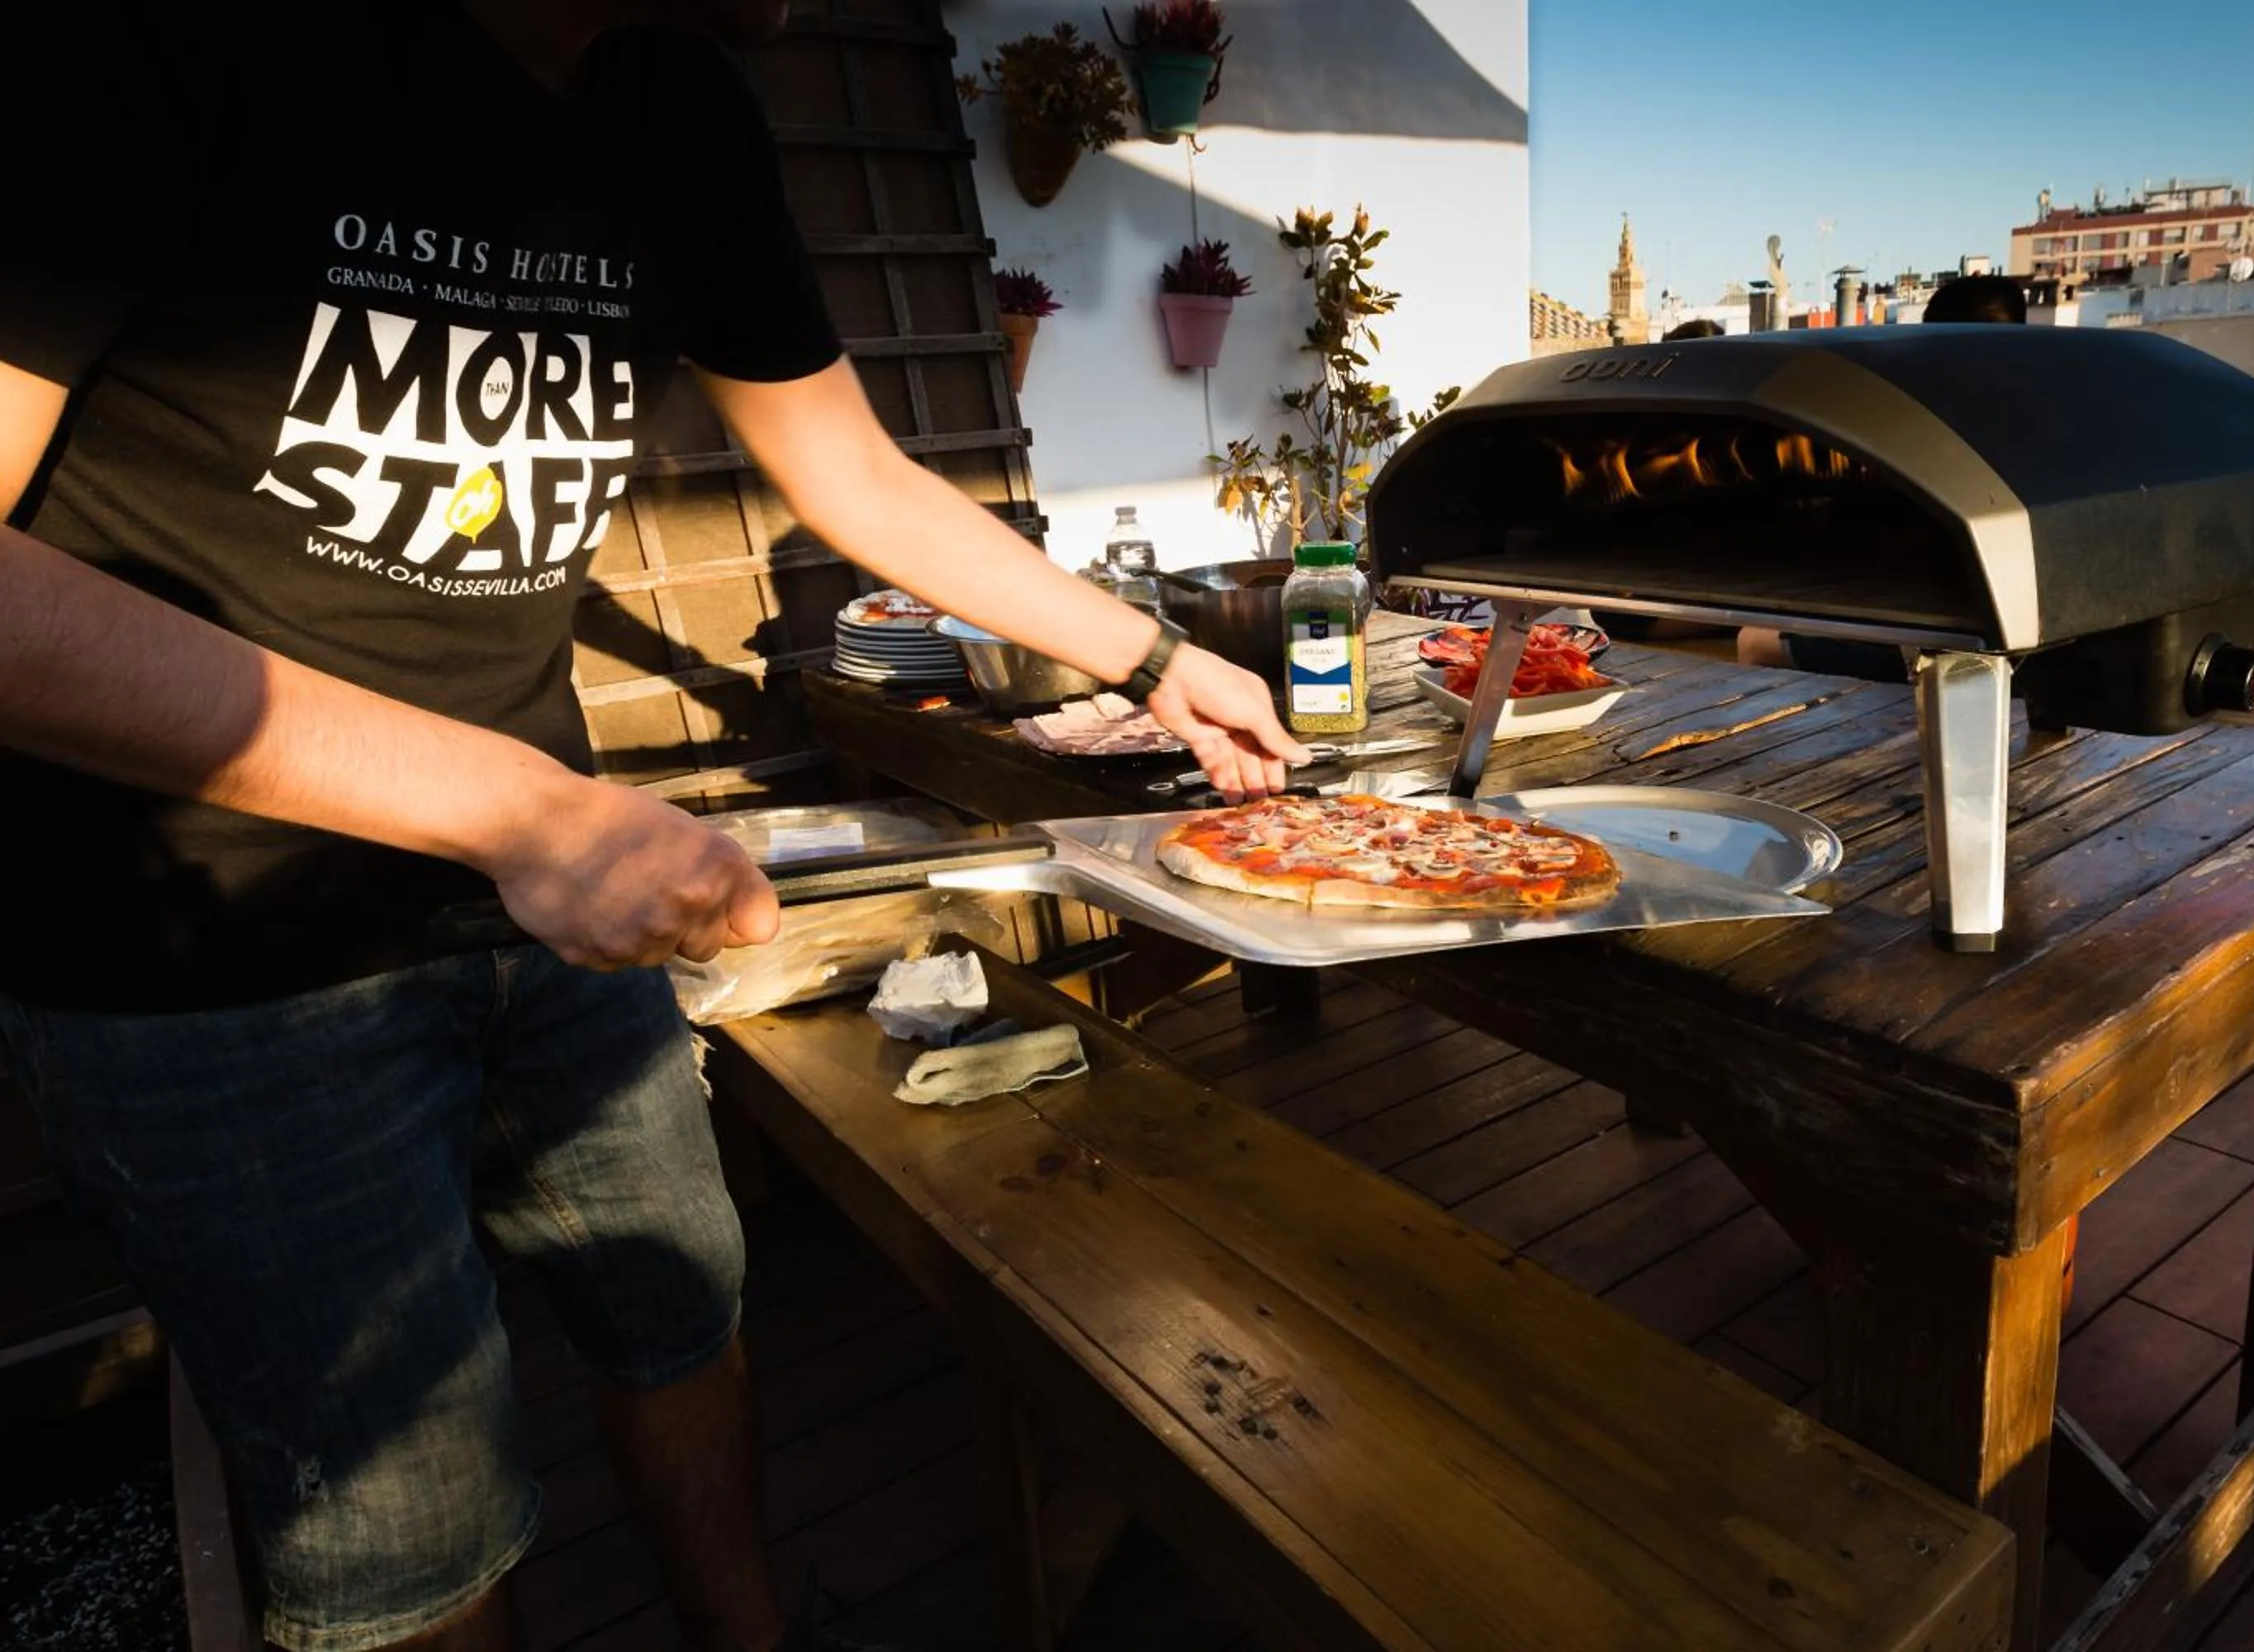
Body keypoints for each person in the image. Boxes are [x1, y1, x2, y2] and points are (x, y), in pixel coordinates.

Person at [0, 4, 1307, 1650]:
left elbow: (856, 478)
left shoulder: (683, 108)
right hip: (211, 941)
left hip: (547, 892)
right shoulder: (152, 45)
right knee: (408, 1517)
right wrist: (514, 808)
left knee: (682, 1301)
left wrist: (1158, 660)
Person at [1736, 273, 2029, 679]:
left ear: (1932, 343)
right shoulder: (2030, 416)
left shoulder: (1922, 426)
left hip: (1944, 652)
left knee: (1753, 641)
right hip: (2031, 650)